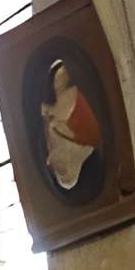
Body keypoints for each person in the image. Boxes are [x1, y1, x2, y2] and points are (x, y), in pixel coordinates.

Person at [39, 58, 100, 194]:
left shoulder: (70, 93)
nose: (59, 81)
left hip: (72, 128)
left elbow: (54, 123)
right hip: (74, 128)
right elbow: (54, 125)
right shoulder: (81, 149)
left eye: (62, 76)